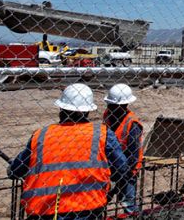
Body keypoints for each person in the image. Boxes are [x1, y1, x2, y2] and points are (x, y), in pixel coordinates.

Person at [8, 83, 128, 220]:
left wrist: (12, 169)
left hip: (44, 210)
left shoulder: (41, 135)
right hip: (88, 207)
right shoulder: (101, 133)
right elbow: (121, 167)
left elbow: (17, 169)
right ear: (87, 111)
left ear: (61, 109)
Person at [103, 84, 143, 214]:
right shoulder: (107, 114)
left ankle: (131, 214)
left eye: (113, 106)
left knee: (128, 200)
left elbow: (133, 152)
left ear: (124, 106)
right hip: (110, 165)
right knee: (104, 198)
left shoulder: (132, 123)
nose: (109, 108)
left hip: (128, 168)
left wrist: (126, 172)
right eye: (109, 104)